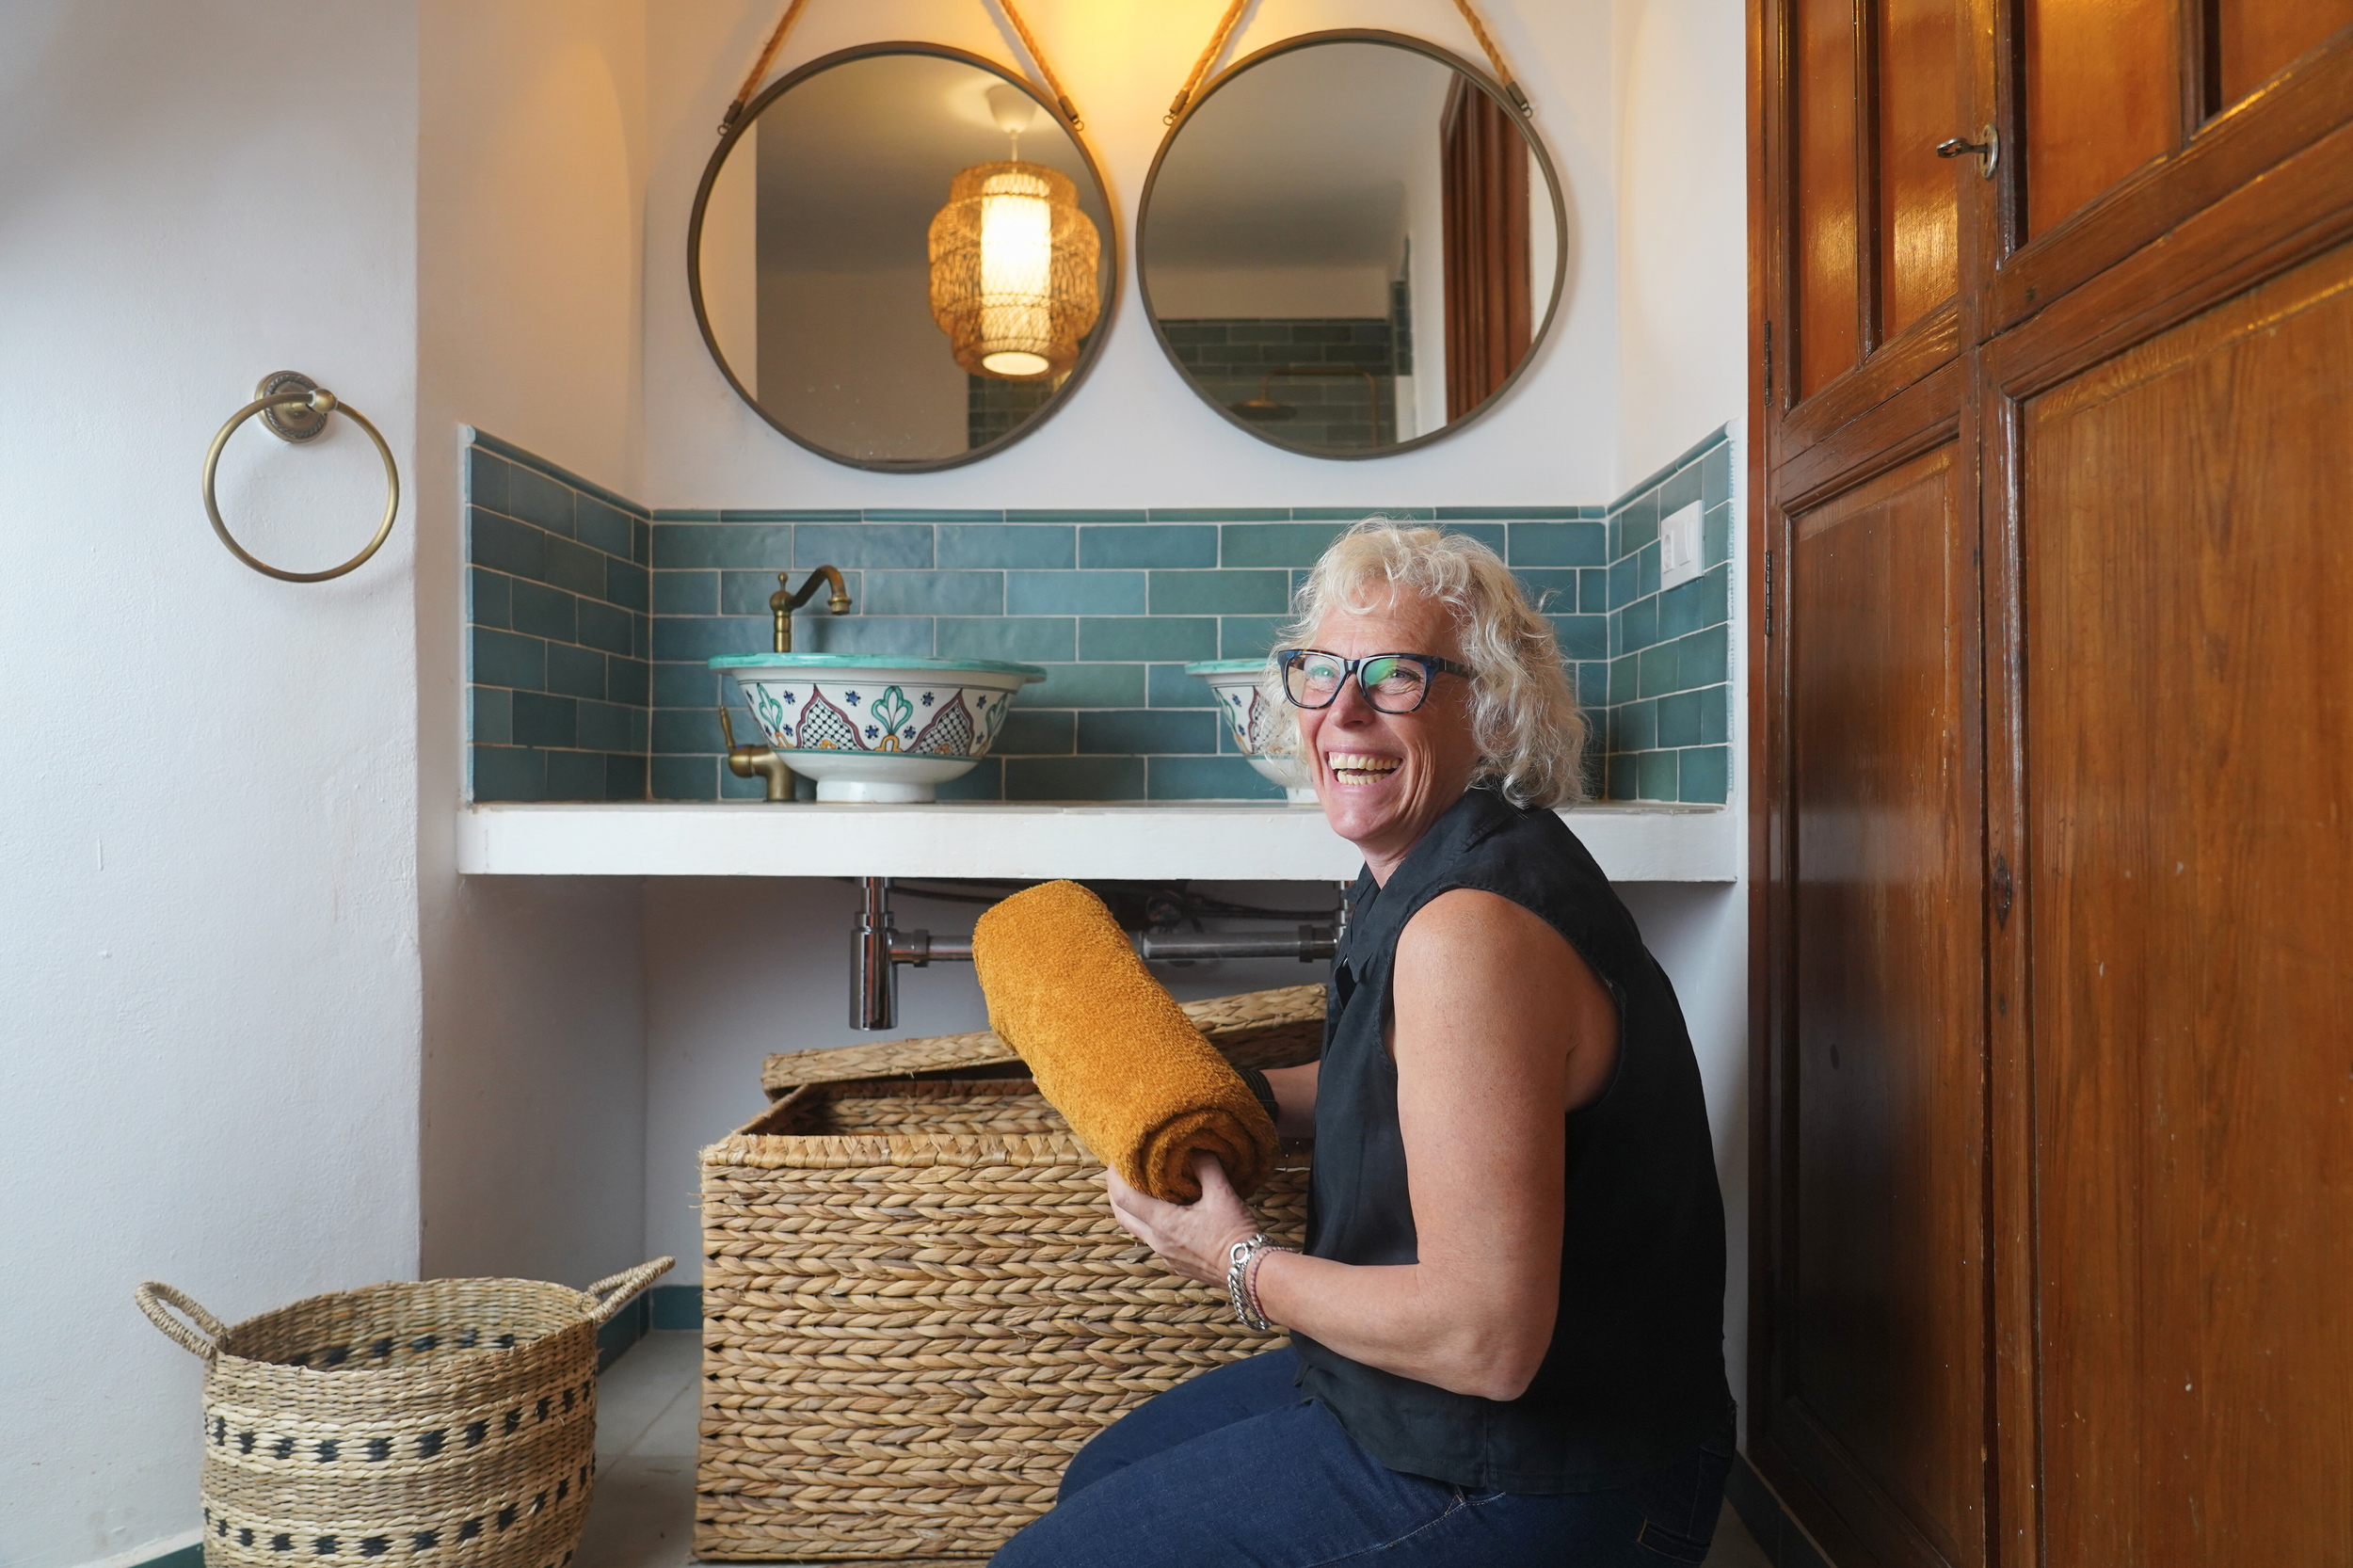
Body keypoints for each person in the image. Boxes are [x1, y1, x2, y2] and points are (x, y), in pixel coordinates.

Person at [991, 520, 1735, 1567]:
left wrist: (1234, 1260)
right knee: (1093, 1485)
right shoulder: (1421, 865)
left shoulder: (1467, 933)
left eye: (1393, 677)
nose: (1341, 711)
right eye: (1321, 672)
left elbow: (1486, 1339)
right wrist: (1216, 1096)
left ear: (1487, 705)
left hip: (1550, 1473)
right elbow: (1402, 1083)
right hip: (1438, 1409)